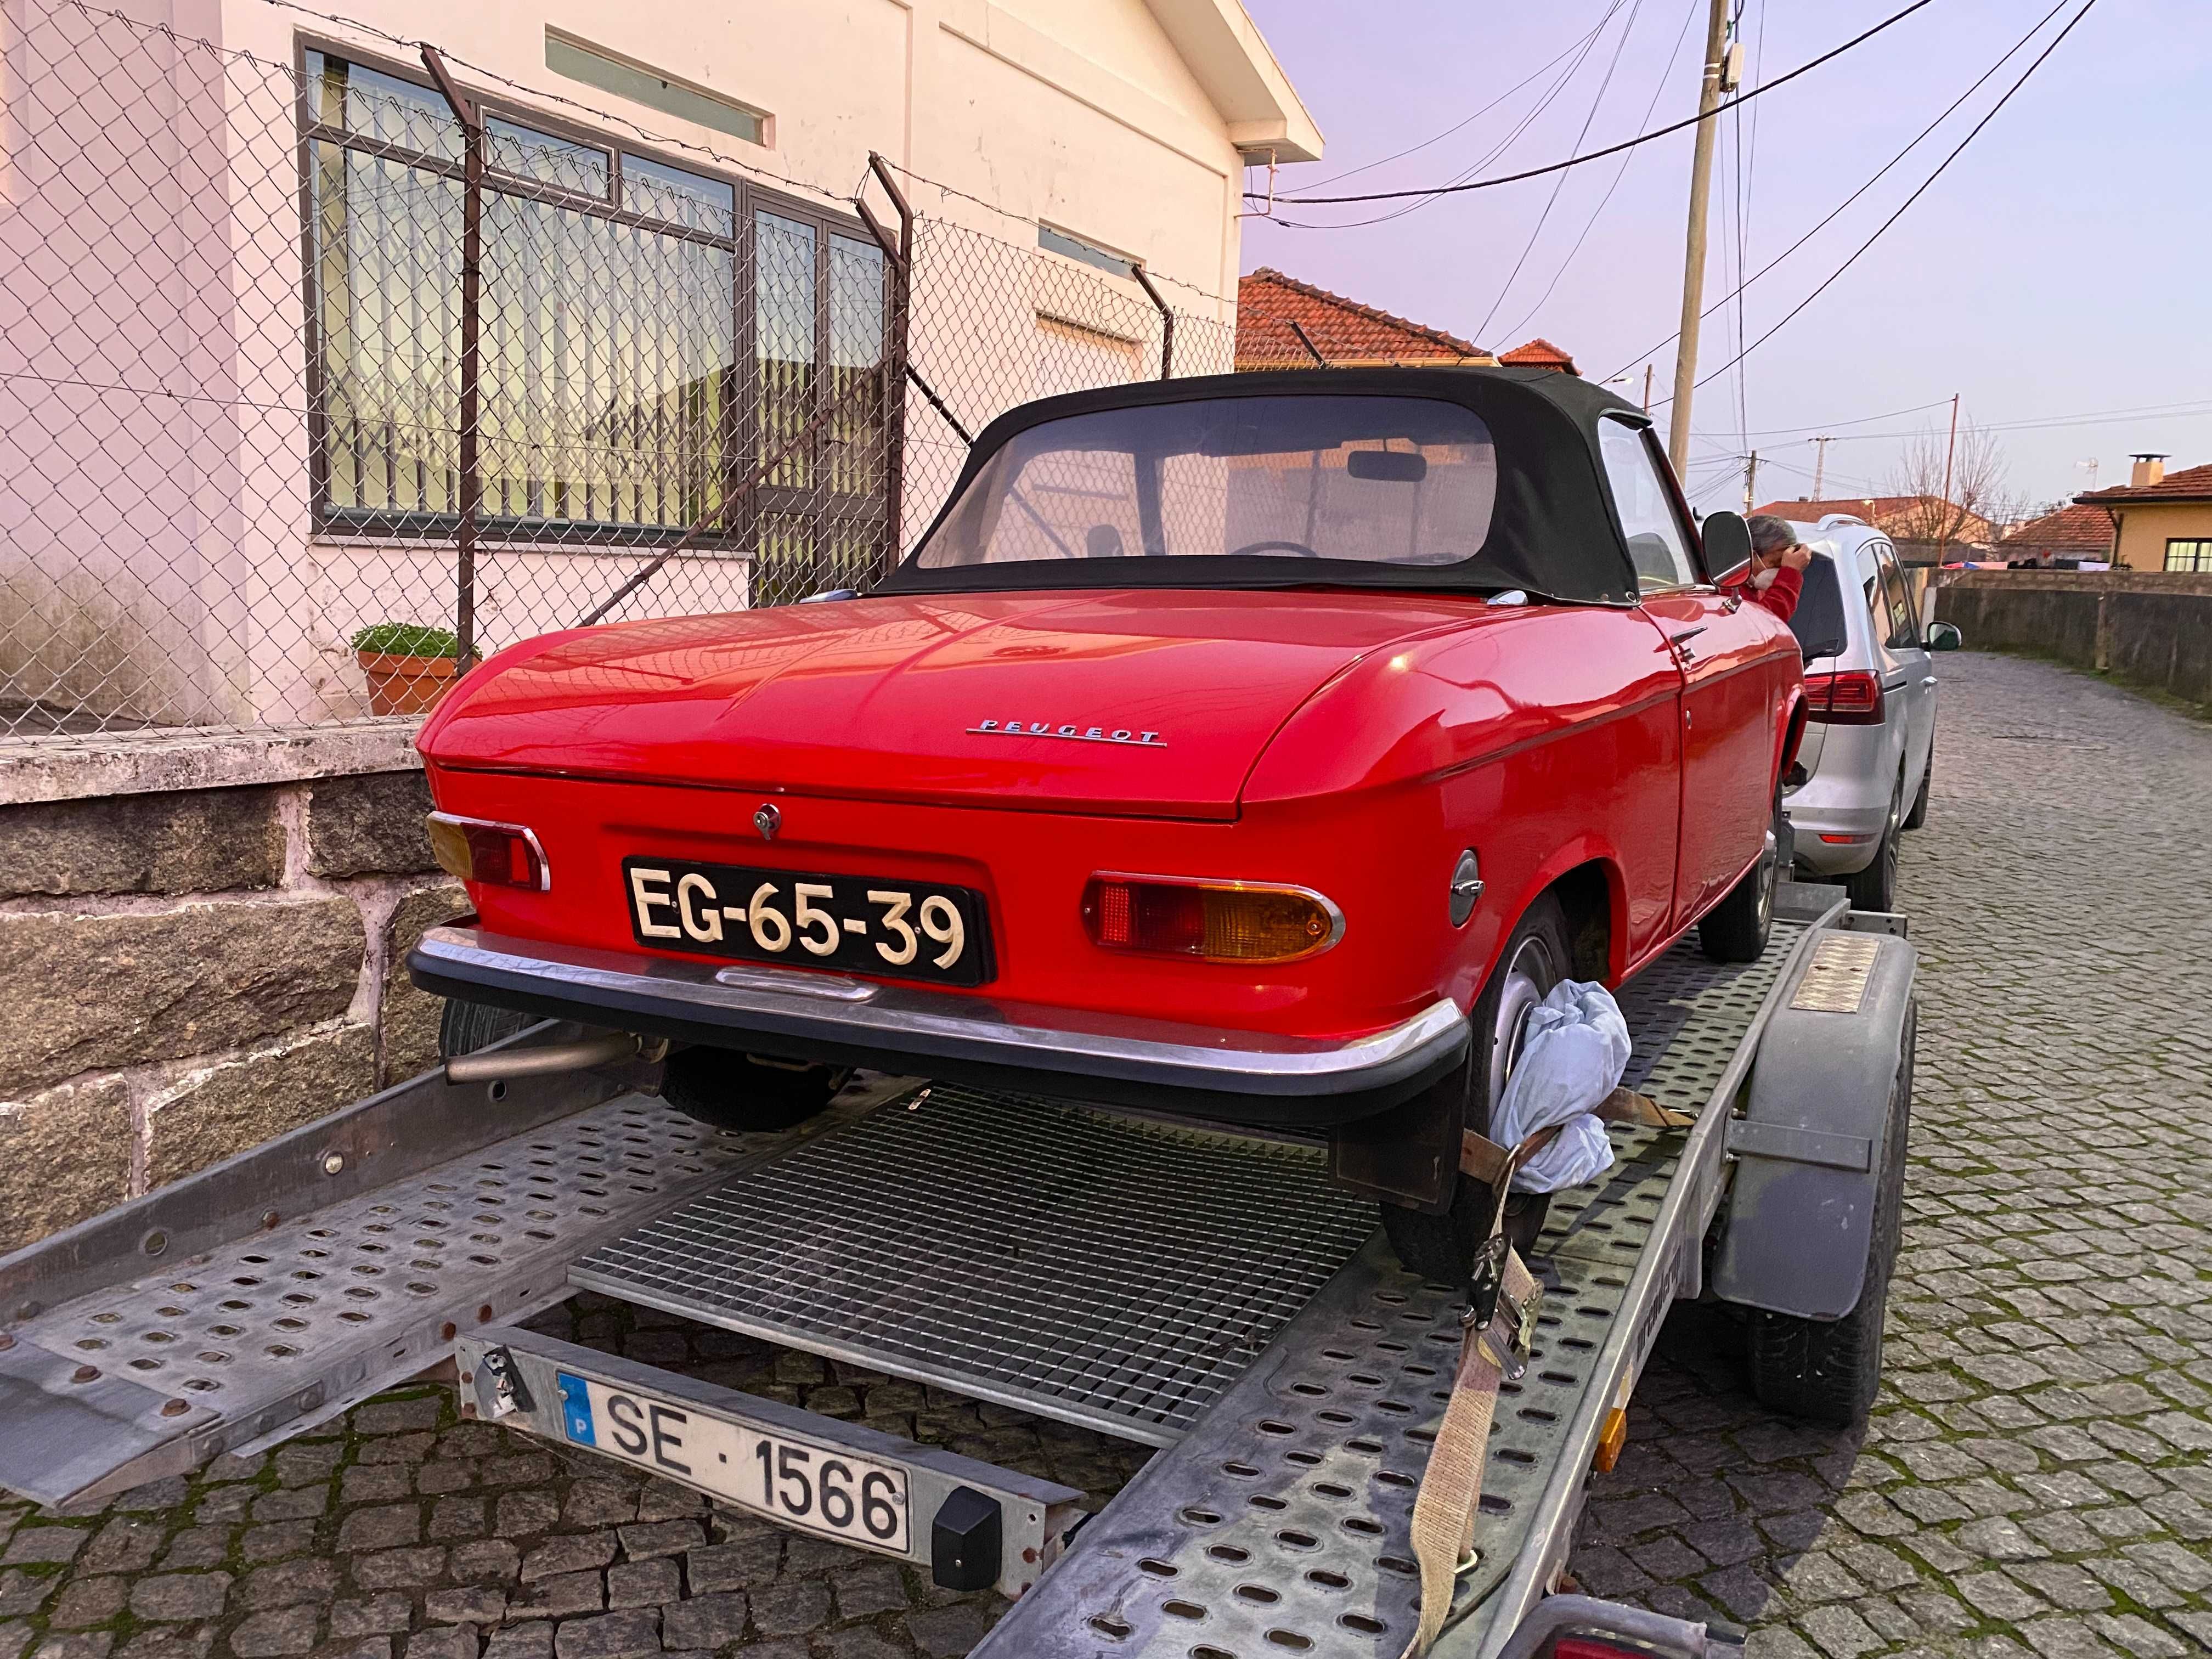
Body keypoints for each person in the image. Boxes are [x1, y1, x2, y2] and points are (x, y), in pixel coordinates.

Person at [1722, 515, 1813, 622]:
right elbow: (1764, 624)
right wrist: (1790, 575)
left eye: (1783, 568)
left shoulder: (1761, 591)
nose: (1779, 573)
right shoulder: (1727, 590)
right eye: (1776, 564)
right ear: (1751, 556)